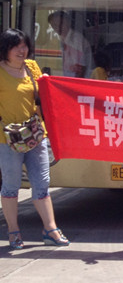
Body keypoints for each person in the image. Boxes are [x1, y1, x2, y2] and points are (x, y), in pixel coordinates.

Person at [0, 28, 69, 249]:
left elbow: (43, 95)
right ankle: (13, 231)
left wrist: (47, 84)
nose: (22, 50)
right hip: (8, 138)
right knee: (11, 186)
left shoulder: (31, 66)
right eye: (16, 46)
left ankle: (51, 229)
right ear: (6, 49)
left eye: (24, 46)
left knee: (42, 184)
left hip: (36, 135)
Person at [47, 11, 93, 78]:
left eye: (60, 24)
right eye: (54, 25)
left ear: (68, 22)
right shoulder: (59, 40)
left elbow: (80, 69)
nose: (57, 27)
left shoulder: (77, 40)